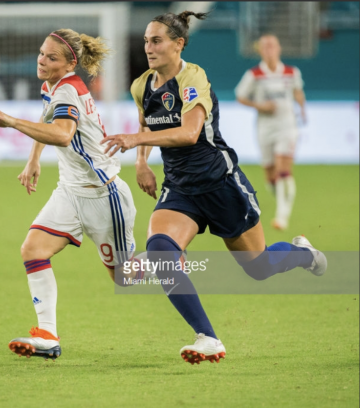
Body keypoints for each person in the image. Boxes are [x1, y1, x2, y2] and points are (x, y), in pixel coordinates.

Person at [101, 12, 327, 365]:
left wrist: (134, 140)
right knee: (161, 251)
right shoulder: (141, 85)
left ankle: (303, 254)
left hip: (220, 184)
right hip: (180, 189)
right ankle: (207, 337)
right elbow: (146, 120)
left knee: (259, 266)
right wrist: (142, 161)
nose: (149, 47)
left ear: (179, 43)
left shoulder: (193, 78)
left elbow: (190, 133)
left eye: (157, 40)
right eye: (146, 40)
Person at [0, 29, 138, 360]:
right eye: (40, 53)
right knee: (33, 249)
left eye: (51, 57)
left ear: (70, 63)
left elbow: (63, 135)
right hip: (70, 191)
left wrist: (10, 120)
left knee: (127, 278)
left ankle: (182, 263)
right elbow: (46, 118)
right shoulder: (52, 86)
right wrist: (34, 157)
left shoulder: (68, 89)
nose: (42, 60)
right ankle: (47, 335)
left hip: (103, 195)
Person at [235, 34, 306, 231]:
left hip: (287, 126)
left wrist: (302, 107)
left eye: (272, 46)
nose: (269, 50)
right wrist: (260, 105)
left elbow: (298, 91)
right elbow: (240, 96)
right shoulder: (254, 74)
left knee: (284, 170)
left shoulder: (292, 72)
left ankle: (282, 216)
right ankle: (283, 199)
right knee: (270, 176)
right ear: (261, 51)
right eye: (265, 47)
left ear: (279, 48)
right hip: (265, 128)